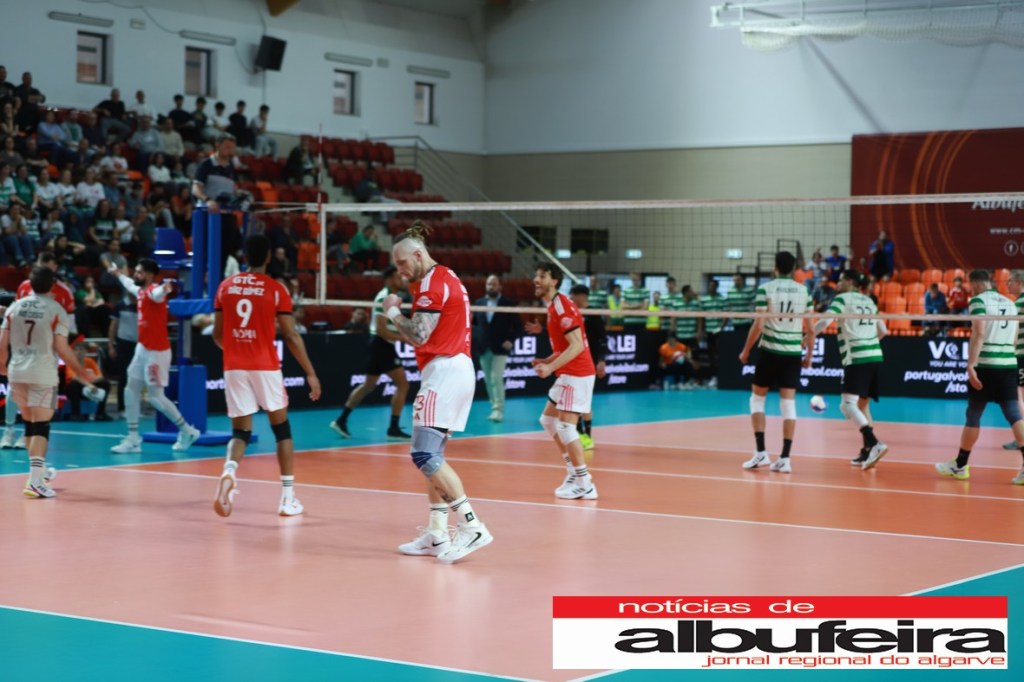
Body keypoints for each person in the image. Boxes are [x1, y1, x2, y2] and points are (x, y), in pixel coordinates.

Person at [382, 221, 493, 563]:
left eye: (402, 263)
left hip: (445, 371)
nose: (400, 271)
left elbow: (419, 335)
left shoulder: (433, 283)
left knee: (424, 454)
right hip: (452, 369)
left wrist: (392, 311)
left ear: (418, 254)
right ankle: (437, 533)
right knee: (434, 456)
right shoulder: (444, 277)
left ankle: (472, 525)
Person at [211, 234, 322, 517]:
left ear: (245, 256)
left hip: (234, 365)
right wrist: (310, 373)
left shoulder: (225, 287)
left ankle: (229, 470)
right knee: (282, 430)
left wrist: (238, 349)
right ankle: (287, 498)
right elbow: (291, 335)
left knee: (241, 431)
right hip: (265, 365)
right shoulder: (276, 289)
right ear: (269, 256)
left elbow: (217, 335)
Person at [0, 266, 100, 498]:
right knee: (41, 426)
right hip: (42, 371)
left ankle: (40, 473)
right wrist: (81, 373)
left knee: (29, 425)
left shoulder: (14, 307)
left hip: (17, 370)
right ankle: (35, 481)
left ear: (30, 284)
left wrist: (3, 366)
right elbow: (62, 348)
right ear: (53, 285)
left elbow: (2, 342)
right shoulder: (56, 310)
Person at [936, 270, 1024, 485]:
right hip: (1008, 363)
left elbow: (979, 333)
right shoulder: (1010, 303)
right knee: (1014, 414)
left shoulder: (978, 301)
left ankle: (960, 465)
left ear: (975, 283)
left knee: (974, 414)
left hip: (986, 364)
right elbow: (1014, 339)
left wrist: (971, 365)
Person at [109, 259, 201, 453]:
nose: (136, 274)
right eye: (136, 271)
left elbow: (158, 294)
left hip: (157, 353)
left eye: (140, 272)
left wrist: (164, 289)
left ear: (150, 275)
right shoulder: (140, 291)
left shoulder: (153, 291)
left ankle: (188, 431)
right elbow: (129, 284)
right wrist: (117, 274)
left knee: (155, 398)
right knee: (130, 389)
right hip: (142, 348)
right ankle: (133, 438)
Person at [738, 251, 814, 474]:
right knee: (788, 404)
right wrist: (808, 356)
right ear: (794, 269)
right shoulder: (804, 291)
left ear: (775, 267)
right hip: (792, 354)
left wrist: (745, 350)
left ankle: (761, 452)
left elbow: (759, 326)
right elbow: (810, 329)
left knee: (757, 399)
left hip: (770, 352)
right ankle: (785, 458)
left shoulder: (766, 289)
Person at [532, 262, 599, 500]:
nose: (536, 280)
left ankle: (584, 482)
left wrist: (550, 367)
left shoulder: (561, 307)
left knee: (566, 427)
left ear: (554, 281)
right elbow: (564, 348)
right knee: (548, 420)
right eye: (536, 276)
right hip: (568, 372)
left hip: (577, 373)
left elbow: (577, 345)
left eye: (542, 276)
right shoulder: (553, 306)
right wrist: (548, 360)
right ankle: (573, 471)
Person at [1, 252, 78, 449]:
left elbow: (70, 325)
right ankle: (9, 431)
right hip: (23, 348)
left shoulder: (64, 292)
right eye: (40, 261)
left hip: (47, 351)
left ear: (55, 267)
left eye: (46, 263)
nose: (41, 265)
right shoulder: (25, 286)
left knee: (38, 394)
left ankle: (29, 433)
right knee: (14, 391)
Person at [813, 270, 889, 469]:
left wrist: (807, 337)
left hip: (857, 357)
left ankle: (875, 444)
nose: (837, 285)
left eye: (840, 281)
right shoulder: (869, 301)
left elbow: (825, 321)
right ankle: (867, 452)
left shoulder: (842, 299)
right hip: (875, 356)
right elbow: (883, 331)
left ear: (850, 282)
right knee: (862, 407)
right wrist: (868, 341)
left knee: (847, 405)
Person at [331, 265, 412, 440]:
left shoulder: (393, 298)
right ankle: (393, 428)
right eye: (398, 277)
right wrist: (404, 339)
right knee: (403, 385)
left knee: (369, 385)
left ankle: (341, 420)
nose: (402, 280)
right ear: (389, 279)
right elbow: (381, 330)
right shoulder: (385, 297)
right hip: (382, 344)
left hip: (380, 344)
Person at [473, 274, 519, 422]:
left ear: (500, 286)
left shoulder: (508, 303)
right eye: (489, 284)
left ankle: (498, 410)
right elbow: (475, 324)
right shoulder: (479, 303)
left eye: (494, 284)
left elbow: (518, 326)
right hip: (483, 347)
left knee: (496, 377)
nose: (491, 287)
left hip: (500, 348)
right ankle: (494, 406)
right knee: (488, 380)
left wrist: (511, 340)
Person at [569, 284, 606, 450]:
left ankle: (587, 436)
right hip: (573, 360)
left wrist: (601, 360)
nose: (571, 298)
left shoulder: (593, 314)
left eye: (573, 295)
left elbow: (603, 338)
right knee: (574, 400)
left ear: (582, 296)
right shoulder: (571, 312)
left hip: (589, 361)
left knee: (584, 400)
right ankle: (579, 433)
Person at [65, 344, 112, 421]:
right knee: (74, 384)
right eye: (77, 350)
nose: (79, 352)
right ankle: (75, 414)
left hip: (90, 388)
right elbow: (74, 377)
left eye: (81, 350)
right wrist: (89, 385)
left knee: (105, 383)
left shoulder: (90, 361)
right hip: (75, 391)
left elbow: (100, 376)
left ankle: (100, 413)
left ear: (85, 352)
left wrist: (92, 383)